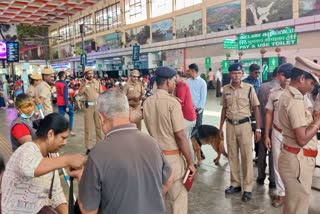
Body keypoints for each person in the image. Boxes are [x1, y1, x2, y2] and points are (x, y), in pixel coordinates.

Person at [69, 89, 173, 214]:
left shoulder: (98, 153)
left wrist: (81, 177)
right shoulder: (152, 143)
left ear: (101, 117)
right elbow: (169, 179)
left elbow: (88, 210)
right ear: (129, 112)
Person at [2, 113, 86, 213]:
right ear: (50, 134)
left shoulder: (52, 156)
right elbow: (30, 168)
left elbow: (56, 194)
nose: (65, 143)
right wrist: (68, 159)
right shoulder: (27, 149)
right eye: (63, 138)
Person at [143, 66, 196, 214]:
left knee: (160, 199)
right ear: (167, 82)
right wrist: (190, 162)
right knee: (177, 200)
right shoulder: (173, 104)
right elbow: (180, 136)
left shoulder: (147, 102)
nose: (175, 83)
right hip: (172, 159)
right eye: (173, 80)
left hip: (154, 158)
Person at [278, 56, 320, 214]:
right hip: (297, 162)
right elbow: (302, 139)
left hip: (293, 158)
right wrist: (318, 121)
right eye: (311, 83)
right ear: (301, 78)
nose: (311, 88)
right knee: (298, 208)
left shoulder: (288, 94)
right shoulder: (294, 99)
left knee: (293, 205)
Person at [219, 62, 261, 202]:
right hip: (230, 125)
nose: (236, 76)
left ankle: (248, 188)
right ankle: (235, 184)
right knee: (232, 156)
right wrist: (220, 127)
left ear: (242, 74)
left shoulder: (249, 89)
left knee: (246, 156)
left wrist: (258, 129)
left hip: (244, 126)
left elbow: (256, 108)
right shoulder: (225, 89)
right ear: (230, 74)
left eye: (239, 73)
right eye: (233, 73)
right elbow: (224, 109)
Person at [264, 63, 293, 208]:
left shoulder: (299, 92)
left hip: (293, 135)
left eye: (287, 74)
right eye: (282, 74)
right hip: (277, 132)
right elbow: (269, 113)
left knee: (293, 164)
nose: (284, 77)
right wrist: (267, 135)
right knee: (277, 163)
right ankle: (282, 194)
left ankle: (293, 194)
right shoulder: (273, 92)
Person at [256, 67, 285, 189]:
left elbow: (257, 106)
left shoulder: (262, 87)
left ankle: (261, 176)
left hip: (262, 125)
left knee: (261, 152)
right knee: (274, 154)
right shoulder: (283, 90)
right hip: (276, 127)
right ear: (279, 75)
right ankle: (273, 180)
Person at [78, 67, 103, 155]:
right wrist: (85, 84)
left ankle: (99, 144)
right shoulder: (83, 83)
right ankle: (88, 146)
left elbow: (101, 93)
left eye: (92, 73)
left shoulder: (97, 82)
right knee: (88, 127)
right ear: (86, 75)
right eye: (89, 74)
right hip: (88, 107)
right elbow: (80, 93)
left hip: (97, 106)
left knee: (99, 126)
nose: (91, 75)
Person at [186, 63, 207, 159]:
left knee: (197, 131)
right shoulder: (187, 82)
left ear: (193, 71)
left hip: (198, 111)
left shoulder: (202, 82)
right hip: (189, 111)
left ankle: (199, 151)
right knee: (190, 130)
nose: (188, 72)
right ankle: (194, 150)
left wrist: (198, 108)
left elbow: (203, 97)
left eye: (189, 70)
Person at [175, 71, 197, 163]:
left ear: (177, 76)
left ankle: (191, 162)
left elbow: (180, 102)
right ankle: (192, 161)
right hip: (189, 116)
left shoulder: (181, 86)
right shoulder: (181, 85)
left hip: (187, 117)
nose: (173, 80)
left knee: (185, 141)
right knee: (186, 139)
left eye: (174, 78)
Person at [243, 63, 262, 160]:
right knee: (246, 135)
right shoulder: (244, 83)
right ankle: (246, 154)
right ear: (250, 72)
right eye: (255, 73)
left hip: (256, 113)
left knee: (257, 134)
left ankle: (257, 155)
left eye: (259, 73)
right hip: (246, 113)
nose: (257, 74)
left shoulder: (259, 82)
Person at [55, 71, 75, 136]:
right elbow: (65, 95)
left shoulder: (56, 83)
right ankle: (70, 130)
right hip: (65, 103)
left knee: (61, 117)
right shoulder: (65, 84)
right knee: (71, 115)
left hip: (59, 102)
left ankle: (60, 131)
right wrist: (66, 106)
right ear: (63, 76)